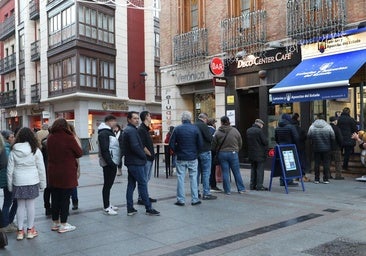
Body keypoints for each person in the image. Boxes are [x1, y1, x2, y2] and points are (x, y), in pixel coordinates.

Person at [7, 127, 46, 240]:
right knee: (30, 206)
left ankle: (20, 231)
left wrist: (10, 185)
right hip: (32, 181)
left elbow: (10, 170)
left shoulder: (14, 150)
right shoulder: (35, 150)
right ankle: (30, 230)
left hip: (18, 181)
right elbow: (41, 168)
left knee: (20, 206)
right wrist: (43, 183)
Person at [47, 118, 83, 233]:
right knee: (65, 198)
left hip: (53, 172)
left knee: (55, 197)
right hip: (66, 172)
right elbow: (79, 153)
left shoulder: (50, 137)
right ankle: (63, 224)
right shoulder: (69, 137)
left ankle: (55, 222)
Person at [121, 111, 160, 216]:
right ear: (129, 119)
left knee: (131, 184)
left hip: (131, 161)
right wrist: (144, 156)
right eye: (134, 118)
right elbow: (136, 146)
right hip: (136, 162)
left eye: (138, 118)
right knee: (142, 184)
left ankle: (130, 208)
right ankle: (148, 208)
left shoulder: (129, 130)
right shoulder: (132, 131)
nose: (137, 120)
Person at [169, 111, 202, 206]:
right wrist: (196, 153)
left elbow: (171, 144)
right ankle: (195, 199)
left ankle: (181, 200)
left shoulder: (177, 129)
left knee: (180, 178)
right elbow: (200, 144)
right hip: (192, 157)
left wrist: (177, 151)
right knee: (193, 178)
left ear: (182, 119)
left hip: (181, 157)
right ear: (190, 119)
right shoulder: (195, 129)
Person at [212, 116, 246, 195]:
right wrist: (237, 150)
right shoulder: (235, 131)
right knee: (236, 172)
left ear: (221, 122)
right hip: (233, 153)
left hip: (222, 153)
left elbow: (213, 145)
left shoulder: (217, 132)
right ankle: (241, 189)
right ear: (229, 121)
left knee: (225, 172)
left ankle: (227, 190)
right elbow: (240, 142)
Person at [98, 115, 121, 215]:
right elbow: (104, 150)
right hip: (109, 163)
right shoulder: (104, 133)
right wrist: (110, 163)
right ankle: (106, 207)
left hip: (112, 161)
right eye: (114, 121)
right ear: (109, 121)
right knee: (107, 184)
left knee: (109, 184)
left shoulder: (108, 132)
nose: (115, 123)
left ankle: (108, 204)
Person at [307, 115, 335, 184]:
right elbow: (333, 137)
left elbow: (308, 136)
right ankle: (325, 179)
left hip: (316, 147)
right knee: (326, 163)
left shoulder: (312, 126)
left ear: (318, 118)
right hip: (326, 148)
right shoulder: (328, 126)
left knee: (317, 163)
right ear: (324, 119)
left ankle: (317, 179)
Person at [137, 111, 157, 205]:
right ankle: (141, 198)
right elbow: (142, 145)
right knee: (144, 179)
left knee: (146, 179)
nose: (151, 117)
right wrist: (149, 154)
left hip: (149, 158)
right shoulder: (141, 129)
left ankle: (145, 196)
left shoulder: (146, 129)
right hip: (146, 158)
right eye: (149, 115)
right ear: (146, 117)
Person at [195, 113, 216, 200]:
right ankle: (206, 193)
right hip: (205, 151)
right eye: (206, 119)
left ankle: (196, 192)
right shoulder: (204, 126)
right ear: (205, 118)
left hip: (196, 152)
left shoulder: (194, 125)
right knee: (206, 172)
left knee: (197, 173)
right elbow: (210, 138)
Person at [274, 114, 299, 186]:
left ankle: (282, 180)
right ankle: (288, 180)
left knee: (282, 164)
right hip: (289, 147)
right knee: (290, 165)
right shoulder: (291, 127)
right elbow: (296, 137)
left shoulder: (277, 128)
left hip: (280, 147)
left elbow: (276, 139)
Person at [0, 130, 17, 232]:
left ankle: (8, 221)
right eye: (11, 137)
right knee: (9, 201)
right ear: (6, 139)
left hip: (6, 180)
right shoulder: (7, 149)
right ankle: (6, 223)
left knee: (11, 201)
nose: (13, 138)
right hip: (8, 180)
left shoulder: (6, 148)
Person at [246, 119, 268, 191]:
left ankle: (252, 185)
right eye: (262, 125)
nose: (262, 126)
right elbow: (265, 142)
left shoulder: (248, 130)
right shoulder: (259, 131)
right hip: (259, 153)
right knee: (260, 170)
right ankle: (259, 185)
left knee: (253, 169)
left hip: (251, 153)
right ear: (259, 124)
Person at [291, 114, 310, 182]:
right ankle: (302, 175)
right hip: (300, 147)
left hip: (291, 147)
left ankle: (296, 175)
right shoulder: (299, 128)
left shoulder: (290, 127)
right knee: (301, 160)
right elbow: (305, 136)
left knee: (293, 161)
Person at [68, 124, 81, 210]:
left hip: (72, 163)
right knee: (72, 184)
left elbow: (78, 153)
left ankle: (74, 201)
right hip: (74, 163)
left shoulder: (72, 138)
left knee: (71, 184)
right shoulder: (75, 137)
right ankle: (74, 201)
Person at [207, 118, 221, 192]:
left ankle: (207, 184)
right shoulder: (214, 131)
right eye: (215, 123)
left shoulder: (205, 129)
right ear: (212, 124)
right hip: (212, 152)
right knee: (212, 169)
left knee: (206, 170)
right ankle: (212, 185)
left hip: (204, 151)